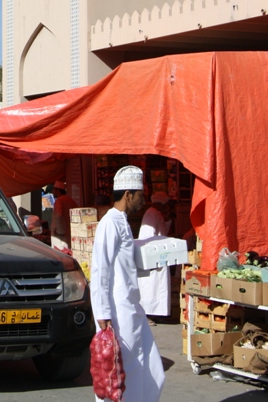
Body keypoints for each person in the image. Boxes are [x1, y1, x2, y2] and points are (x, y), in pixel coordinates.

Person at [91, 166, 164, 402]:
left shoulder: (123, 221)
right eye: (141, 196)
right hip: (117, 312)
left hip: (133, 309)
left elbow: (123, 266)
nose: (143, 201)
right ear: (128, 195)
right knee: (118, 373)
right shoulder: (109, 223)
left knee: (151, 370)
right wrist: (102, 313)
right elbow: (100, 269)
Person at [138, 191, 171, 325]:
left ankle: (157, 312)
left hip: (160, 255)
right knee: (150, 287)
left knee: (159, 286)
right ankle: (146, 314)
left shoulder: (157, 214)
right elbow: (148, 236)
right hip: (153, 256)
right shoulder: (151, 213)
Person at [50, 180, 79, 251]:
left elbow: (59, 216)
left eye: (54, 190)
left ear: (58, 191)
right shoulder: (71, 200)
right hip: (70, 234)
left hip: (60, 236)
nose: (53, 192)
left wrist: (59, 231)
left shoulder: (59, 201)